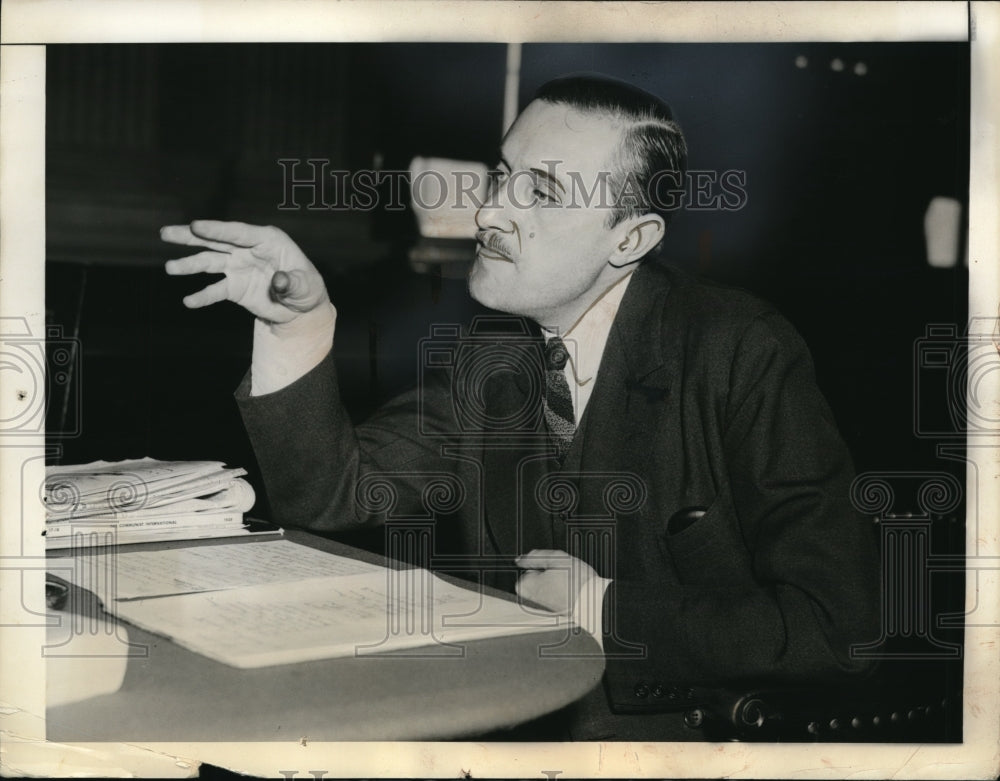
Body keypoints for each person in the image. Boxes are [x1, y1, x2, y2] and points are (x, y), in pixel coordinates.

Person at [161, 74, 880, 740]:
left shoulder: (741, 350)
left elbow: (840, 628)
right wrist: (297, 326)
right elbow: (331, 496)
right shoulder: (493, 356)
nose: (490, 210)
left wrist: (600, 608)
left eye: (543, 192)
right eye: (504, 176)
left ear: (630, 238)